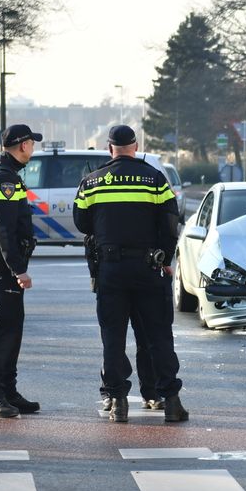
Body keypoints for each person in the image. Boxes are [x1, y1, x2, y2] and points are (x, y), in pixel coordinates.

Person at [73, 125, 188, 423]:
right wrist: (165, 255)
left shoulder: (92, 181)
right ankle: (171, 401)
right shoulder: (155, 179)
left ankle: (118, 401)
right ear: (136, 146)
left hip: (110, 270)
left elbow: (81, 223)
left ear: (109, 148)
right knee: (158, 335)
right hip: (149, 268)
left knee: (113, 337)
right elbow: (170, 222)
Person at [0, 124, 41, 418]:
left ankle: (8, 389)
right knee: (2, 325)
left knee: (12, 327)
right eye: (32, 143)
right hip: (4, 267)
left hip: (7, 265)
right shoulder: (3, 179)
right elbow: (3, 229)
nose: (33, 148)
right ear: (23, 145)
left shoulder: (6, 175)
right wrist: (18, 269)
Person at [85, 234, 163, 412]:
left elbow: (83, 220)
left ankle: (119, 394)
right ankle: (117, 392)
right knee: (122, 338)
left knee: (116, 338)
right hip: (134, 263)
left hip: (123, 264)